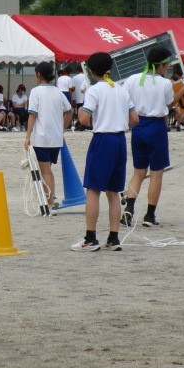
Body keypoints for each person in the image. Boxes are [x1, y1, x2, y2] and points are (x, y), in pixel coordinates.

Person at [71, 52, 138, 252]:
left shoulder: (94, 90)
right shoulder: (121, 89)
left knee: (93, 189)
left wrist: (84, 113)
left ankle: (90, 238)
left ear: (91, 71)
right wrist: (118, 122)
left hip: (102, 139)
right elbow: (134, 119)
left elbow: (84, 119)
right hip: (120, 140)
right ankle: (114, 238)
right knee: (113, 191)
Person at [122, 46, 184, 227]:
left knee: (138, 172)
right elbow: (170, 103)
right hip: (156, 127)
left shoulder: (132, 79)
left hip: (138, 126)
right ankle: (149, 215)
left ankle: (129, 209)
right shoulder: (164, 83)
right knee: (156, 174)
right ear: (161, 65)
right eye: (166, 65)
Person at [24, 62, 73, 211]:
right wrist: (62, 129)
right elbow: (70, 111)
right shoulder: (58, 92)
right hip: (56, 138)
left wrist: (27, 136)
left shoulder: (36, 91)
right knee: (47, 169)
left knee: (45, 171)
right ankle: (50, 197)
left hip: (42, 137)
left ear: (38, 74)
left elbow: (32, 115)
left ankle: (50, 201)